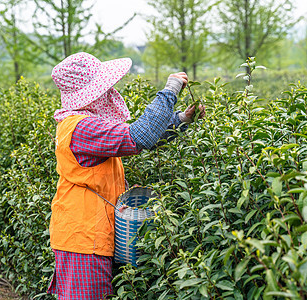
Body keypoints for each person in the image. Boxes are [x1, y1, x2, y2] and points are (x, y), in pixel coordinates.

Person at [47, 52, 205, 300]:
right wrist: (170, 90)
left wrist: (182, 119)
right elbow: (139, 136)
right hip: (83, 236)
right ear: (91, 94)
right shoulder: (82, 127)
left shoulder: (86, 123)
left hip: (95, 231)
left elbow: (142, 137)